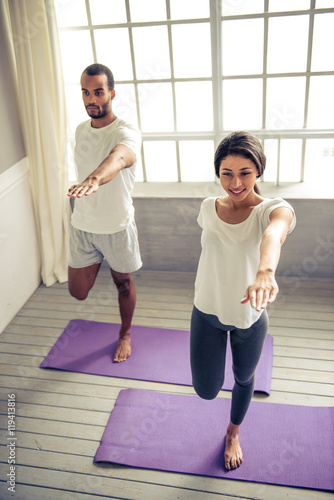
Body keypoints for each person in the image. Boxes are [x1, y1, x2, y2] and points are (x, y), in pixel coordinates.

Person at [190, 131, 296, 471]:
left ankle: (233, 432)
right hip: (207, 311)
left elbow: (273, 235)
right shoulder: (208, 208)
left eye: (245, 173)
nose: (235, 183)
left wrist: (266, 270)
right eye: (227, 173)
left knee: (244, 378)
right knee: (206, 391)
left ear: (259, 171)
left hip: (249, 317)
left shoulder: (274, 209)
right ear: (218, 173)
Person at [67, 63, 142, 363]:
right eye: (86, 93)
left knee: (123, 283)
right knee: (78, 293)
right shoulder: (80, 130)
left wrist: (95, 179)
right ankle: (98, 260)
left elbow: (119, 157)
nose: (91, 100)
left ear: (111, 93)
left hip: (116, 226)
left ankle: (125, 333)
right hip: (83, 226)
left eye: (98, 92)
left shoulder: (126, 131)